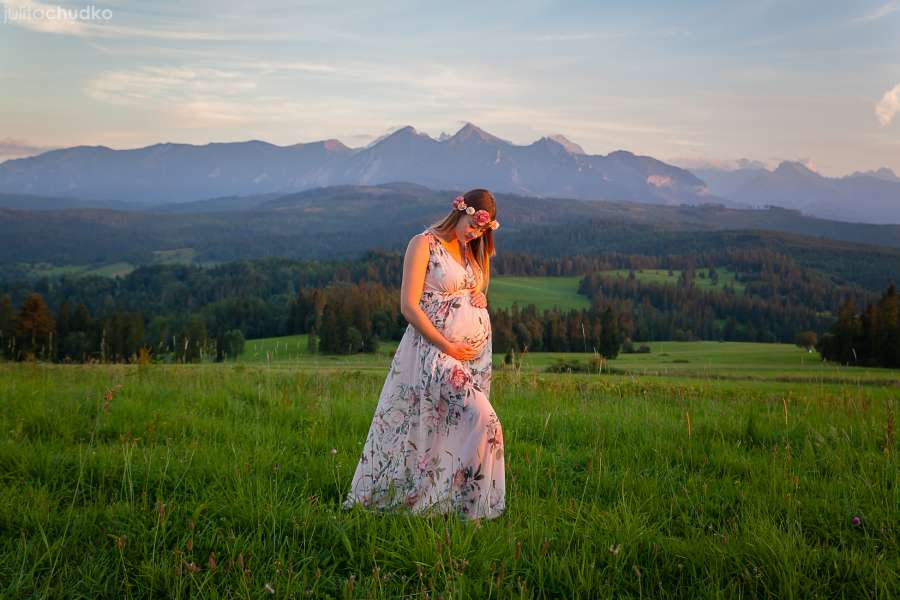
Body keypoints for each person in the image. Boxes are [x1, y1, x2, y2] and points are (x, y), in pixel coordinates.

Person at [342, 189, 505, 520]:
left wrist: (479, 298)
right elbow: (408, 306)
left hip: (470, 357)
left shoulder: (470, 249)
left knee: (450, 425)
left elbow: (475, 286)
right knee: (485, 420)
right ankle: (471, 508)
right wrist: (448, 346)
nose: (475, 232)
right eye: (473, 225)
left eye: (481, 230)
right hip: (433, 352)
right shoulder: (423, 243)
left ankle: (456, 501)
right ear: (460, 211)